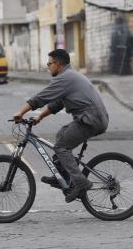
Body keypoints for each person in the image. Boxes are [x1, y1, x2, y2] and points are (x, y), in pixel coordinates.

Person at [13, 49, 109, 203]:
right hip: (92, 118)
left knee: (61, 147)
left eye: (49, 64)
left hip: (91, 119)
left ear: (57, 64)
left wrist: (20, 112)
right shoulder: (69, 76)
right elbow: (57, 103)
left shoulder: (65, 78)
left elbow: (41, 97)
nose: (48, 67)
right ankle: (62, 176)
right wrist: (40, 116)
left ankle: (81, 183)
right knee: (61, 135)